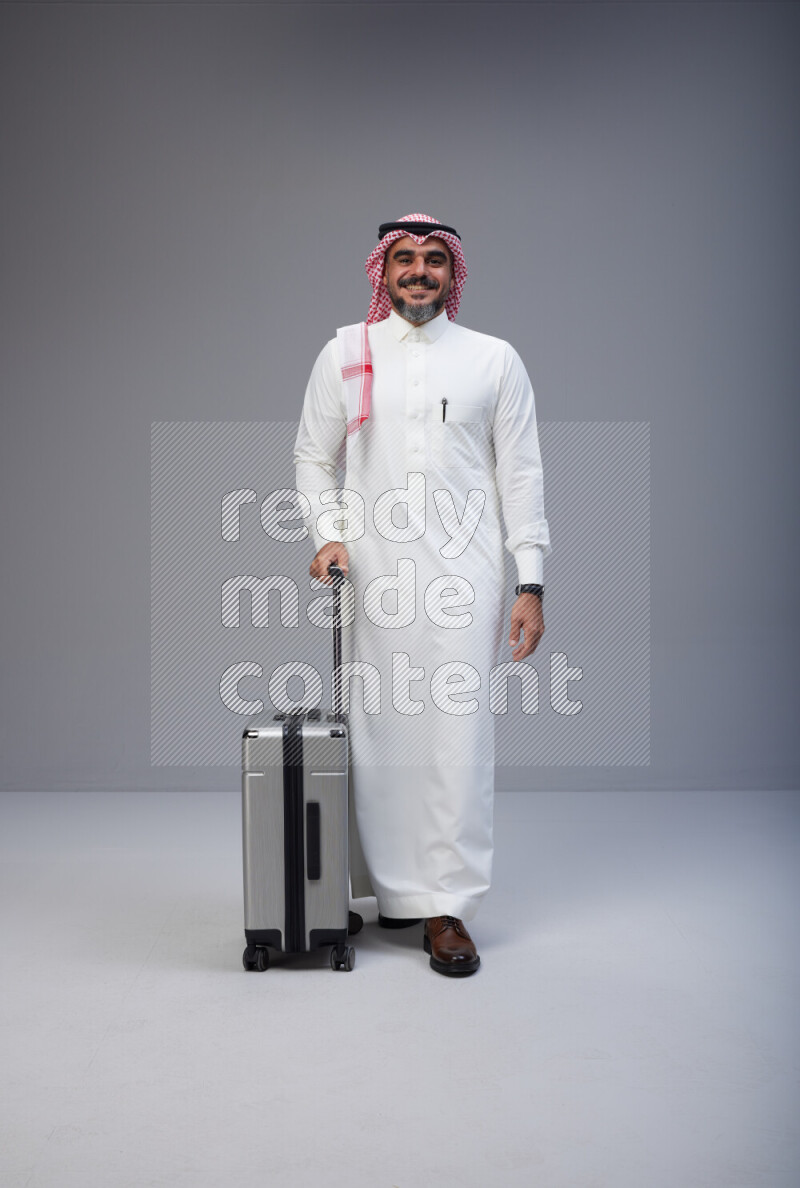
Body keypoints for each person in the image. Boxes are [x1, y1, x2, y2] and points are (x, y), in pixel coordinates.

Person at [293, 213, 551, 976]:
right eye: (404, 259)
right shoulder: (347, 351)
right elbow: (313, 456)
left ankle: (447, 909)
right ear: (382, 269)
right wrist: (328, 533)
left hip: (465, 579)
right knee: (375, 738)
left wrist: (529, 579)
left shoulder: (492, 360)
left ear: (453, 272)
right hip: (370, 578)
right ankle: (389, 895)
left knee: (456, 741)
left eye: (434, 260)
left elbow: (522, 475)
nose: (418, 272)